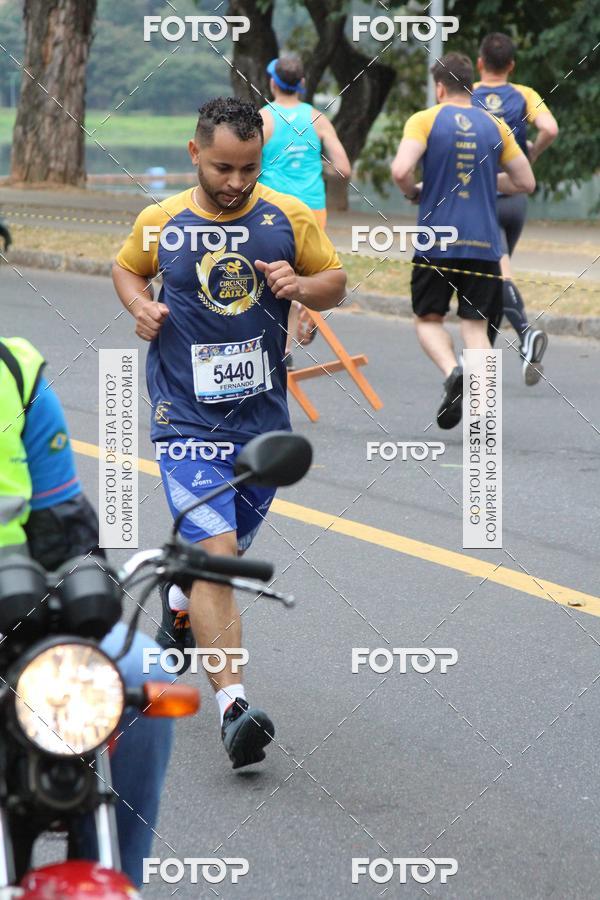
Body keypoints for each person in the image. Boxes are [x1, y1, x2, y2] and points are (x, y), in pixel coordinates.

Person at [112, 96, 346, 769]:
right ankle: (235, 709)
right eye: (222, 168)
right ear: (195, 154)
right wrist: (141, 306)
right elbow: (126, 268)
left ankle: (179, 595)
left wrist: (301, 287)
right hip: (184, 420)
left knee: (225, 552)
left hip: (260, 424)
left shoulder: (286, 217)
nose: (236, 182)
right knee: (217, 554)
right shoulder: (161, 221)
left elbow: (335, 281)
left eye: (249, 168)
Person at [0, 336, 173, 888]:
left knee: (141, 670)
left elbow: (65, 524)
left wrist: (86, 578)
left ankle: (118, 875)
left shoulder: (15, 371)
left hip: (13, 614)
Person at [391, 53, 535, 429]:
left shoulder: (424, 120)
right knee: (475, 327)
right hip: (484, 244)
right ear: (471, 87)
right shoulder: (495, 124)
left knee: (428, 319)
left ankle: (453, 371)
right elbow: (525, 182)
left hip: (437, 241)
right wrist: (485, 180)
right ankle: (483, 416)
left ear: (440, 88)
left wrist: (415, 191)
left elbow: (401, 169)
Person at [472, 32, 559, 384]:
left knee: (496, 276)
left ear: (480, 62)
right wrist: (531, 154)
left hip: (483, 197)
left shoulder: (468, 93)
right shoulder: (524, 94)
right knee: (495, 277)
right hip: (516, 199)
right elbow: (549, 128)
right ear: (511, 65)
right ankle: (481, 369)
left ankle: (526, 335)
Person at [259, 53, 351, 368]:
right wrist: (316, 169)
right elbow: (344, 168)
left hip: (275, 210)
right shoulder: (317, 118)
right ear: (301, 83)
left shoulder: (264, 119)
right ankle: (307, 311)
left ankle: (281, 348)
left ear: (272, 83)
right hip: (313, 208)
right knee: (308, 271)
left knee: (276, 276)